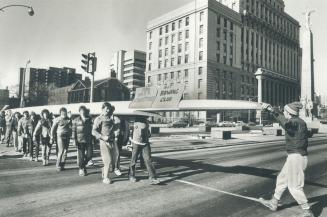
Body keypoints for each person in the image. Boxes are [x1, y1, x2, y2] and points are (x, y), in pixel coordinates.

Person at [259, 102, 314, 217]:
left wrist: (271, 110)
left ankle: (307, 211)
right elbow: (289, 124)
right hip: (294, 156)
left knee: (294, 186)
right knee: (282, 179)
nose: (283, 113)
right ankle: (274, 202)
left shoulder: (294, 123)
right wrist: (272, 110)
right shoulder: (299, 122)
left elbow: (285, 124)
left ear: (289, 113)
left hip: (297, 157)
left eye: (285, 111)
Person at [92, 102, 118, 184]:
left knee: (114, 159)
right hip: (103, 141)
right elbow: (93, 131)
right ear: (102, 109)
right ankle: (106, 178)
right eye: (106, 109)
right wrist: (102, 137)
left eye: (109, 109)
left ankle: (104, 171)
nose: (108, 110)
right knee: (108, 160)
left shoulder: (110, 118)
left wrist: (115, 132)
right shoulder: (98, 119)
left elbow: (112, 129)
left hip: (111, 141)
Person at [129, 116, 159, 185]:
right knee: (134, 160)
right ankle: (131, 175)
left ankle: (153, 177)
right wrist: (130, 143)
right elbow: (131, 132)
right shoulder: (136, 122)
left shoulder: (146, 121)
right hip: (136, 143)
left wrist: (148, 134)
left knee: (148, 159)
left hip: (145, 143)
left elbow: (148, 132)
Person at [72, 106, 93, 176]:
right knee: (81, 156)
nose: (82, 112)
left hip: (88, 139)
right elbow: (73, 131)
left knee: (90, 155)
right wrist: (74, 140)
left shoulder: (89, 119)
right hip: (80, 140)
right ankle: (81, 169)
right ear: (79, 112)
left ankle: (82, 165)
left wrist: (94, 139)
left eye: (84, 111)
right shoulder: (76, 120)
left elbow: (92, 129)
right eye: (81, 111)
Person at [51, 107, 72, 172]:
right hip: (60, 135)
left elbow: (71, 127)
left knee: (65, 151)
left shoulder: (68, 119)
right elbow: (53, 128)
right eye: (62, 112)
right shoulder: (57, 119)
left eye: (65, 112)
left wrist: (70, 118)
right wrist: (52, 136)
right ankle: (58, 165)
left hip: (67, 136)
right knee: (61, 151)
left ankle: (62, 165)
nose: (64, 113)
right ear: (60, 113)